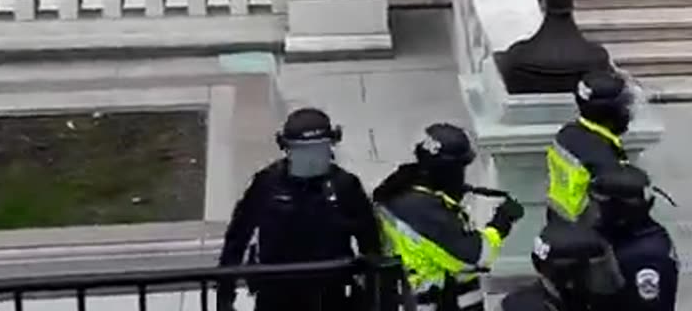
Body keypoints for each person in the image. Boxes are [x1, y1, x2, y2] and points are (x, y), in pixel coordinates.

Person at [216, 107, 380, 311]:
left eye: (319, 150)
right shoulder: (267, 184)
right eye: (303, 151)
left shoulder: (345, 186)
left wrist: (374, 292)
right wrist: (225, 293)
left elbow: (370, 241)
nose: (312, 159)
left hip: (330, 292)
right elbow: (237, 237)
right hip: (276, 291)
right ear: (287, 150)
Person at [373, 122, 526, 311]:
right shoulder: (427, 213)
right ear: (447, 170)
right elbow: (476, 256)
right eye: (459, 168)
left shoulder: (402, 187)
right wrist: (500, 223)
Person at [546, 69, 633, 225]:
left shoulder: (567, 133)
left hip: (558, 220)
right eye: (625, 106)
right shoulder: (604, 159)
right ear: (611, 112)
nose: (628, 112)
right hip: (586, 236)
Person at [590, 164, 679, 310]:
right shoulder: (636, 233)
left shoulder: (645, 257)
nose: (596, 213)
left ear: (620, 210)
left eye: (601, 206)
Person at [501, 222, 626, 311]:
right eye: (591, 273)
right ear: (568, 277)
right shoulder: (522, 307)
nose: (600, 279)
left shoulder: (593, 303)